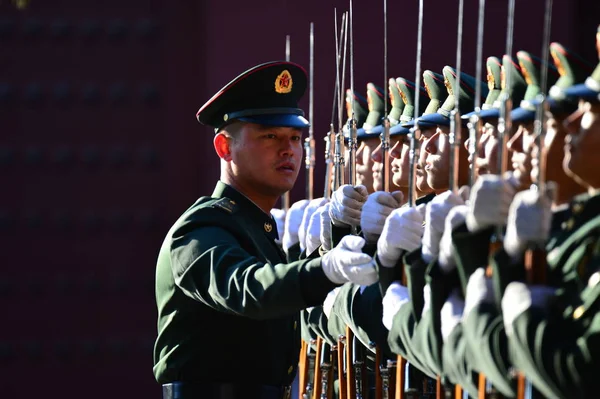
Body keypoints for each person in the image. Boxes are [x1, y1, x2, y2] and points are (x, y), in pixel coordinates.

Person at [153, 61, 378, 399]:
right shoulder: (201, 229)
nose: (288, 149)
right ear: (225, 147)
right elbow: (248, 288)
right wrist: (326, 269)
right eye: (269, 136)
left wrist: (330, 246)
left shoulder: (257, 226)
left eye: (295, 137)